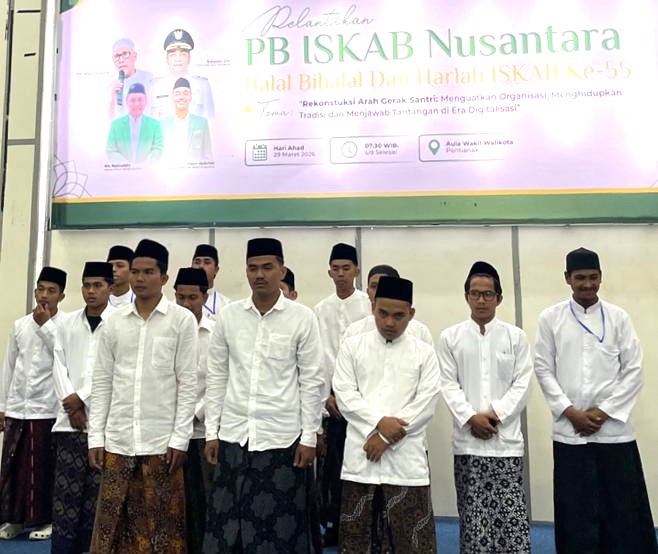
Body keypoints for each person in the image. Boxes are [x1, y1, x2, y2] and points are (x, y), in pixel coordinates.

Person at [203, 238, 324, 553]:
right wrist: (212, 432)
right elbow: (217, 376)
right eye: (253, 268)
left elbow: (312, 381)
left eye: (267, 267)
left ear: (281, 270)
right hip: (234, 436)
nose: (259, 274)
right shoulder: (229, 317)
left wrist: (309, 437)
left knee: (280, 533)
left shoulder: (302, 318)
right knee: (228, 529)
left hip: (282, 440)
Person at [534, 247, 657, 554]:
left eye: (593, 277)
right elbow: (543, 368)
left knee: (622, 510)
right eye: (580, 278)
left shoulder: (618, 318)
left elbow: (634, 371)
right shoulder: (551, 318)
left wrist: (603, 413)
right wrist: (570, 412)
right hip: (570, 432)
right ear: (567, 278)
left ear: (601, 277)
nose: (587, 284)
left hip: (614, 432)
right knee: (575, 510)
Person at [88, 239, 198, 554]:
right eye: (135, 271)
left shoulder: (181, 320)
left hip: (161, 442)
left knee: (163, 530)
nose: (139, 278)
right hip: (118, 439)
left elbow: (187, 383)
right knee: (112, 529)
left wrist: (180, 438)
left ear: (164, 277)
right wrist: (95, 436)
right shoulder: (114, 322)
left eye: (148, 272)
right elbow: (102, 381)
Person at [333, 276, 440, 553]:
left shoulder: (424, 353)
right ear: (373, 308)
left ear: (411, 314)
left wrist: (384, 437)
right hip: (362, 458)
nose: (389, 322)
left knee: (412, 543)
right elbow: (345, 395)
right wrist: (379, 423)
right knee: (357, 541)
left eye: (398, 316)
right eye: (383, 313)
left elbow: (426, 403)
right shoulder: (352, 346)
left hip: (406, 461)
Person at [438, 261, 532, 554]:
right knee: (474, 523)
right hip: (468, 445)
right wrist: (470, 418)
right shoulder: (450, 338)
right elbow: (447, 384)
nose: (481, 300)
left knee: (512, 522)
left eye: (488, 294)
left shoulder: (515, 337)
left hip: (506, 444)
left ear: (499, 298)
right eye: (475, 293)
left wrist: (495, 415)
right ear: (466, 296)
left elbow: (523, 383)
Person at [0, 266, 68, 541]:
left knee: (42, 469)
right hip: (18, 408)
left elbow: (64, 357)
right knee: (14, 468)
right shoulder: (20, 325)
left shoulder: (65, 325)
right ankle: (14, 520)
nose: (44, 295)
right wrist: (3, 406)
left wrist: (45, 325)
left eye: (51, 291)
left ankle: (46, 520)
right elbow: (9, 367)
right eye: (41, 289)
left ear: (61, 296)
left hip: (47, 409)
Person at [51, 261, 114, 554]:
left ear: (110, 288)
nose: (91, 291)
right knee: (66, 495)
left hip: (103, 424)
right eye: (87, 285)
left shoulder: (119, 323)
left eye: (98, 285)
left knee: (95, 497)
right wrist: (71, 404)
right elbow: (58, 365)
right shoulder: (66, 323)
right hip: (69, 423)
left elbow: (112, 369)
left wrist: (83, 399)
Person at [313, 242, 371, 546]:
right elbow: (317, 358)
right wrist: (325, 396)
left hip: (362, 398)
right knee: (333, 469)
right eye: (335, 269)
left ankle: (361, 527)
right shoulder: (320, 309)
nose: (341, 274)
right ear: (329, 272)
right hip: (333, 401)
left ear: (356, 270)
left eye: (346, 268)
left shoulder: (368, 305)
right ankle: (333, 526)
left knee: (361, 466)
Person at [173, 266, 215, 554]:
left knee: (207, 501)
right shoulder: (168, 330)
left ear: (205, 297)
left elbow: (221, 379)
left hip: (205, 431)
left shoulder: (216, 332)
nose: (186, 304)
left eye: (192, 298)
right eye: (180, 298)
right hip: (172, 432)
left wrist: (194, 412)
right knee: (177, 504)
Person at [343, 264, 434, 345]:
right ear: (367, 292)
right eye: (374, 286)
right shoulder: (354, 331)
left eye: (384, 287)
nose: (378, 292)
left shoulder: (420, 332)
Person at [150, 29, 215, 120]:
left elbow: (210, 119)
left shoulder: (202, 85)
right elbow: (149, 119)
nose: (178, 59)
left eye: (183, 54)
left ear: (189, 59)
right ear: (167, 60)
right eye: (173, 55)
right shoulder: (154, 86)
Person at [106, 82, 163, 164]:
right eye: (133, 100)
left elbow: (158, 147)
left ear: (146, 102)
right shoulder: (116, 125)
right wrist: (126, 165)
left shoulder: (155, 125)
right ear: (126, 102)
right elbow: (110, 150)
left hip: (147, 170)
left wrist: (147, 164)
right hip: (123, 170)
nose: (136, 104)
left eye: (140, 100)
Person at [161, 77, 213, 165]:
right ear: (172, 97)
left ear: (190, 97)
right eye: (177, 94)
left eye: (185, 93)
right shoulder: (162, 124)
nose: (181, 97)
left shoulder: (202, 123)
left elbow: (208, 157)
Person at [107, 38, 154, 120]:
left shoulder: (150, 80)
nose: (121, 60)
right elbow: (108, 121)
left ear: (135, 56)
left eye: (125, 54)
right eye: (116, 56)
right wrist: (112, 98)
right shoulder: (109, 88)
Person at [191, 244, 230, 319]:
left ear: (216, 270)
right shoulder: (178, 304)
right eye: (197, 262)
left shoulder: (226, 305)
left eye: (207, 262)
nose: (201, 266)